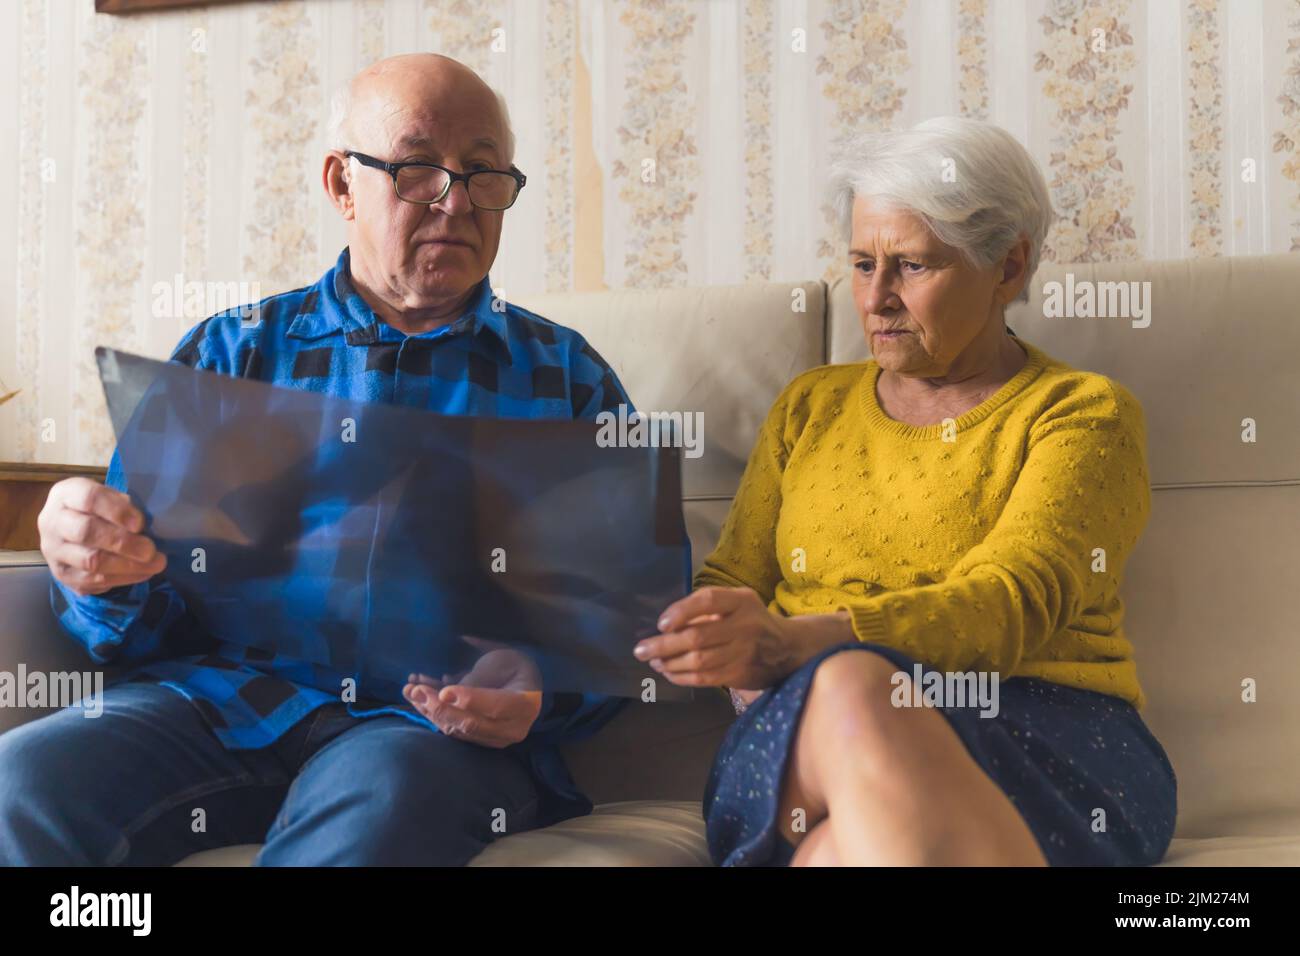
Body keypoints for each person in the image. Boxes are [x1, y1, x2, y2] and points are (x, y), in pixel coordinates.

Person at [0, 53, 633, 866]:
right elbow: (134, 623)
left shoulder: (566, 378)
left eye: (482, 174)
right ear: (341, 184)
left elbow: (626, 623)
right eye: (417, 170)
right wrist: (97, 574)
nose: (455, 201)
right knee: (24, 781)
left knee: (383, 800)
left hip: (423, 732)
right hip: (219, 708)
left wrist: (541, 691)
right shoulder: (227, 354)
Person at [634, 116, 1178, 867]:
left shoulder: (1080, 413)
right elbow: (735, 581)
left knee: (833, 849)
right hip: (799, 735)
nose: (878, 299)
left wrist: (803, 641)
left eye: (913, 267)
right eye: (862, 265)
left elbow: (1013, 600)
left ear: (1009, 266)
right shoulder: (809, 408)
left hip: (1042, 735)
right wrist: (725, 643)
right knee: (850, 690)